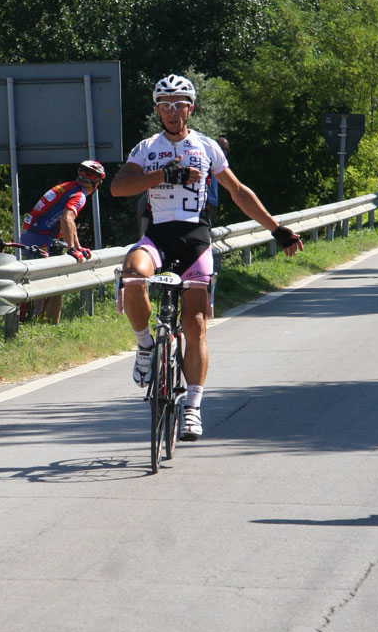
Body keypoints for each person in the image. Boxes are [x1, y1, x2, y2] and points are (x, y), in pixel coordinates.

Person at [110, 74, 302, 441]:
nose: (171, 111)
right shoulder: (146, 147)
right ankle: (145, 346)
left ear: (190, 108)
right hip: (157, 237)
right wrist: (164, 173)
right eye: (164, 105)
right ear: (157, 110)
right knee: (133, 276)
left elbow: (238, 191)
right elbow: (120, 187)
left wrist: (276, 229)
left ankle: (193, 408)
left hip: (195, 240)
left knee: (195, 323)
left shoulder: (206, 146)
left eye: (179, 104)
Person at [19, 160, 105, 323]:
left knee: (43, 283)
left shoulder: (68, 186)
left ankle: (34, 319)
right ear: (96, 182)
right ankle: (47, 325)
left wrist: (77, 246)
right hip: (41, 238)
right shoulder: (79, 194)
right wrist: (72, 249)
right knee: (55, 284)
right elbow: (67, 219)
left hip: (32, 235)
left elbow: (67, 222)